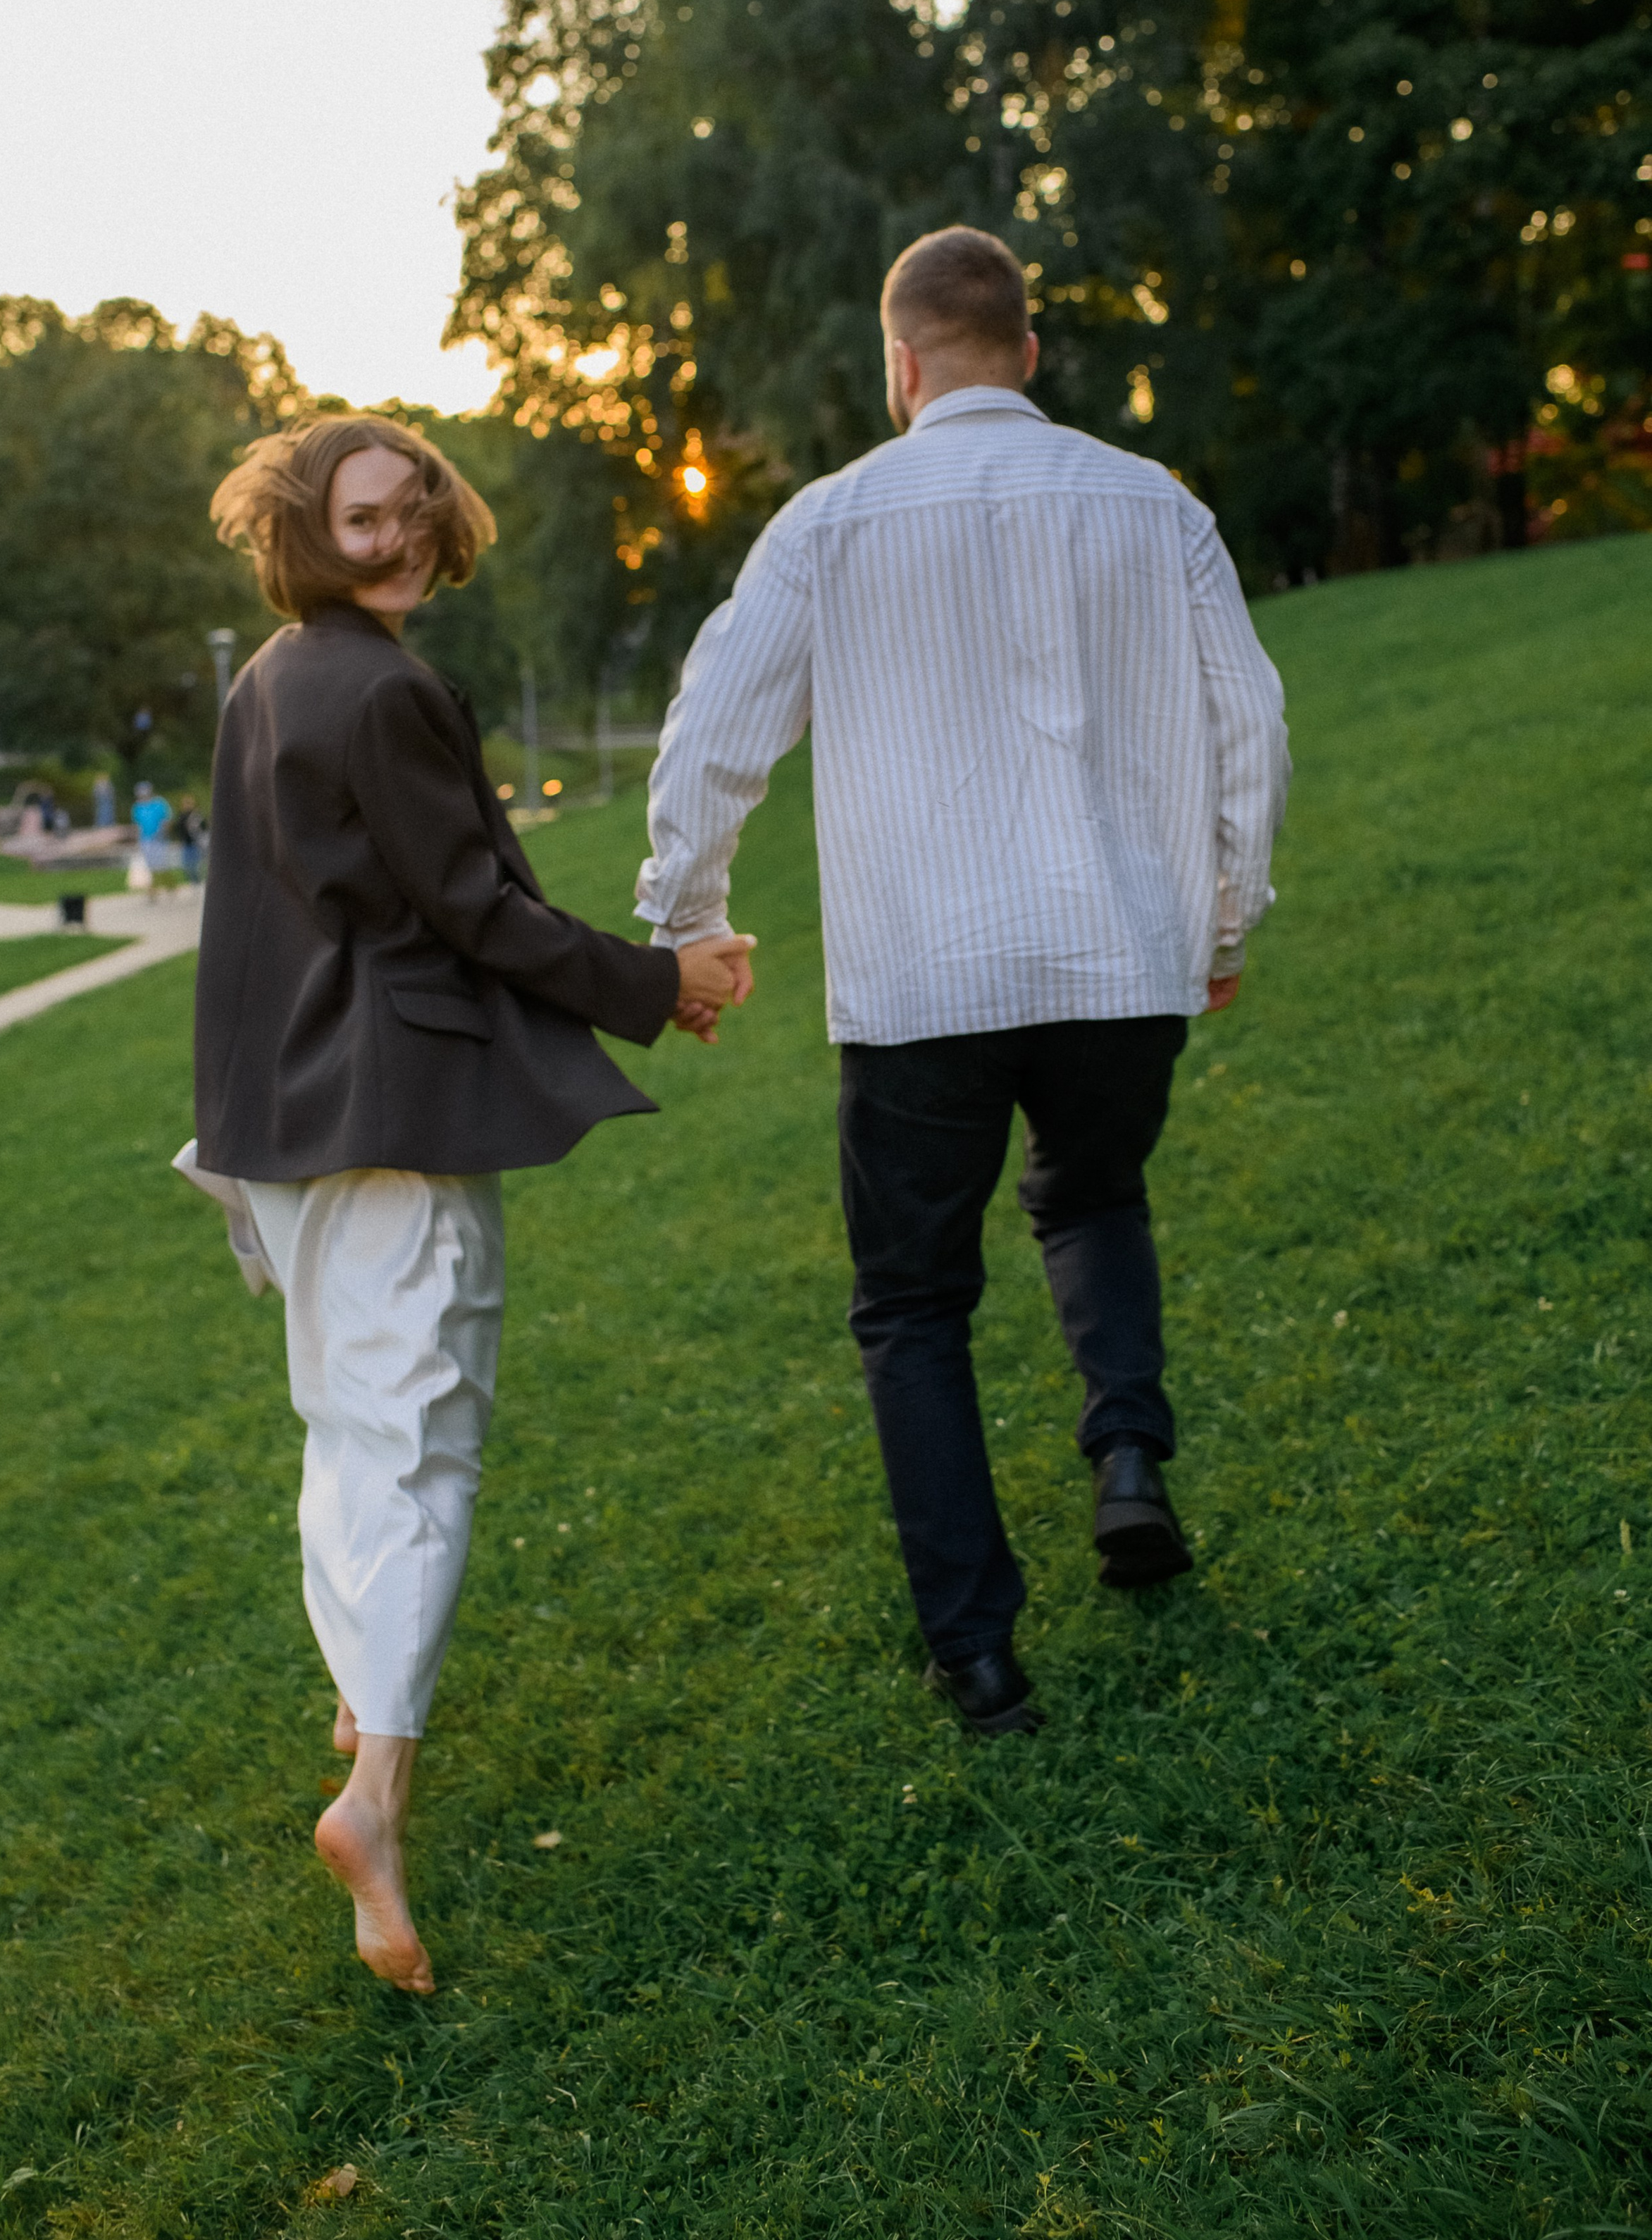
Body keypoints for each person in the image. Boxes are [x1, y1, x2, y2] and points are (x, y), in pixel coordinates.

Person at [635, 227, 1289, 1738]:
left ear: (898, 366)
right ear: (1031, 356)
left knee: (912, 1306)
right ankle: (1125, 1454)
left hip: (918, 982)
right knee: (1093, 1193)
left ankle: (978, 1655)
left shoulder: (827, 522)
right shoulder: (1152, 510)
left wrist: (685, 921)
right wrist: (1224, 923)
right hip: (1118, 955)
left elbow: (712, 733)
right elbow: (1243, 722)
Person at [182, 414, 752, 1993]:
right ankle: (372, 1801)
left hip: (285, 1119)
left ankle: (363, 1712)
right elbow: (476, 910)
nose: (401, 539)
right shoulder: (379, 687)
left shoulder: (270, 681)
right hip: (391, 1117)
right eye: (364, 518)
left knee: (347, 1430)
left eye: (415, 509)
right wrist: (660, 978)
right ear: (304, 529)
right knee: (420, 1446)